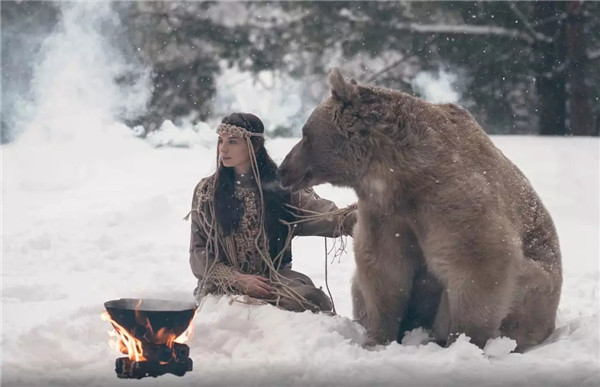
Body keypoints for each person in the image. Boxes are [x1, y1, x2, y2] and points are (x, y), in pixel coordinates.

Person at [188, 112, 356, 313]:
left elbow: (323, 216)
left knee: (306, 301)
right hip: (223, 285)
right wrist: (238, 279)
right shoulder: (207, 192)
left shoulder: (281, 189)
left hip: (275, 282)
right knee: (231, 310)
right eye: (220, 141)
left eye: (232, 142)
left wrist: (358, 219)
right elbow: (198, 253)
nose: (223, 149)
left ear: (255, 146)